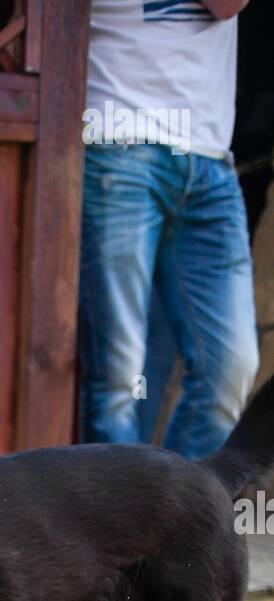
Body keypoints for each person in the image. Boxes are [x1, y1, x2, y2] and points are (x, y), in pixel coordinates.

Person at [79, 0, 259, 459]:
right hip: (118, 141)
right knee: (118, 375)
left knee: (230, 369)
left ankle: (181, 516)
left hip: (211, 159)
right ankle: (112, 527)